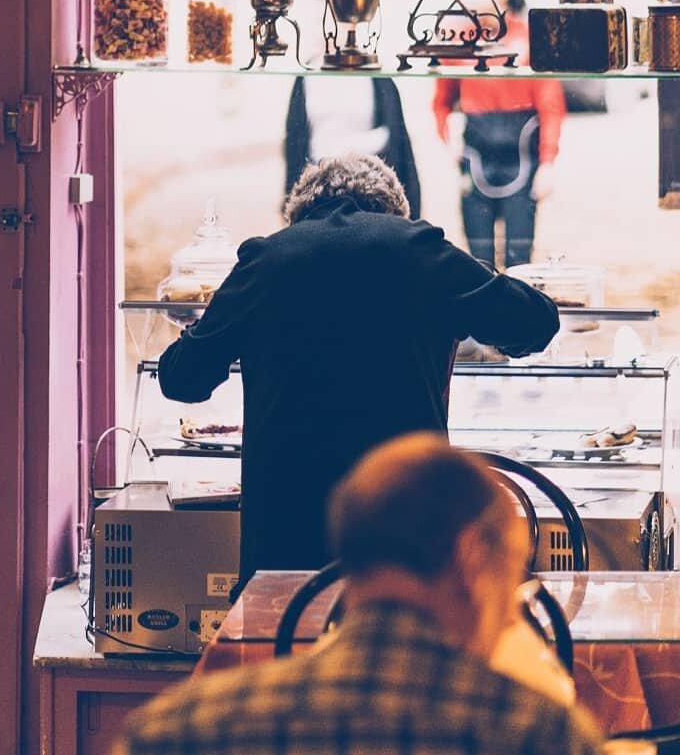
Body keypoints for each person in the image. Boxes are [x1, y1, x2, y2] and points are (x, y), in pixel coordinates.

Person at [86, 436, 621, 755]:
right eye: (512, 574)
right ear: (471, 559)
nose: (510, 609)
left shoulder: (172, 740)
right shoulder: (546, 748)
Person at [158, 153, 558, 589]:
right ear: (393, 211)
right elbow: (536, 323)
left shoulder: (265, 260)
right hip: (407, 530)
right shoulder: (420, 251)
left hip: (285, 548)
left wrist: (221, 320)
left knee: (283, 640)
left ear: (301, 212)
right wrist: (466, 280)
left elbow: (182, 378)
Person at [433, 0, 566, 270]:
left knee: (520, 258)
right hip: (477, 152)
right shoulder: (459, 41)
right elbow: (441, 100)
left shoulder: (529, 38)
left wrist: (548, 163)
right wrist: (448, 138)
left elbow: (551, 105)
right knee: (476, 260)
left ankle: (517, 312)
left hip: (521, 152)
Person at [285, 75, 421, 216]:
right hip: (319, 197)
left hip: (370, 197)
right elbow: (295, 148)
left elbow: (398, 145)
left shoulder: (380, 79)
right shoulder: (307, 78)